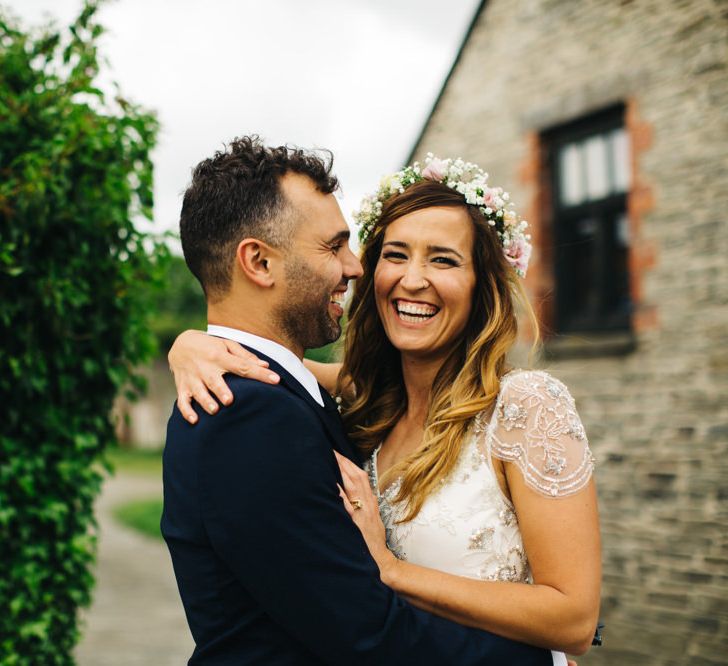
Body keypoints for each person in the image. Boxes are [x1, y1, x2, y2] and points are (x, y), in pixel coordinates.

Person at [169, 153, 601, 663]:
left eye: (443, 259)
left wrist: (394, 572)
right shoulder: (367, 399)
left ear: (481, 282)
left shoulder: (525, 407)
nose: (411, 279)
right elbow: (272, 370)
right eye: (394, 255)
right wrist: (193, 343)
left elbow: (574, 620)